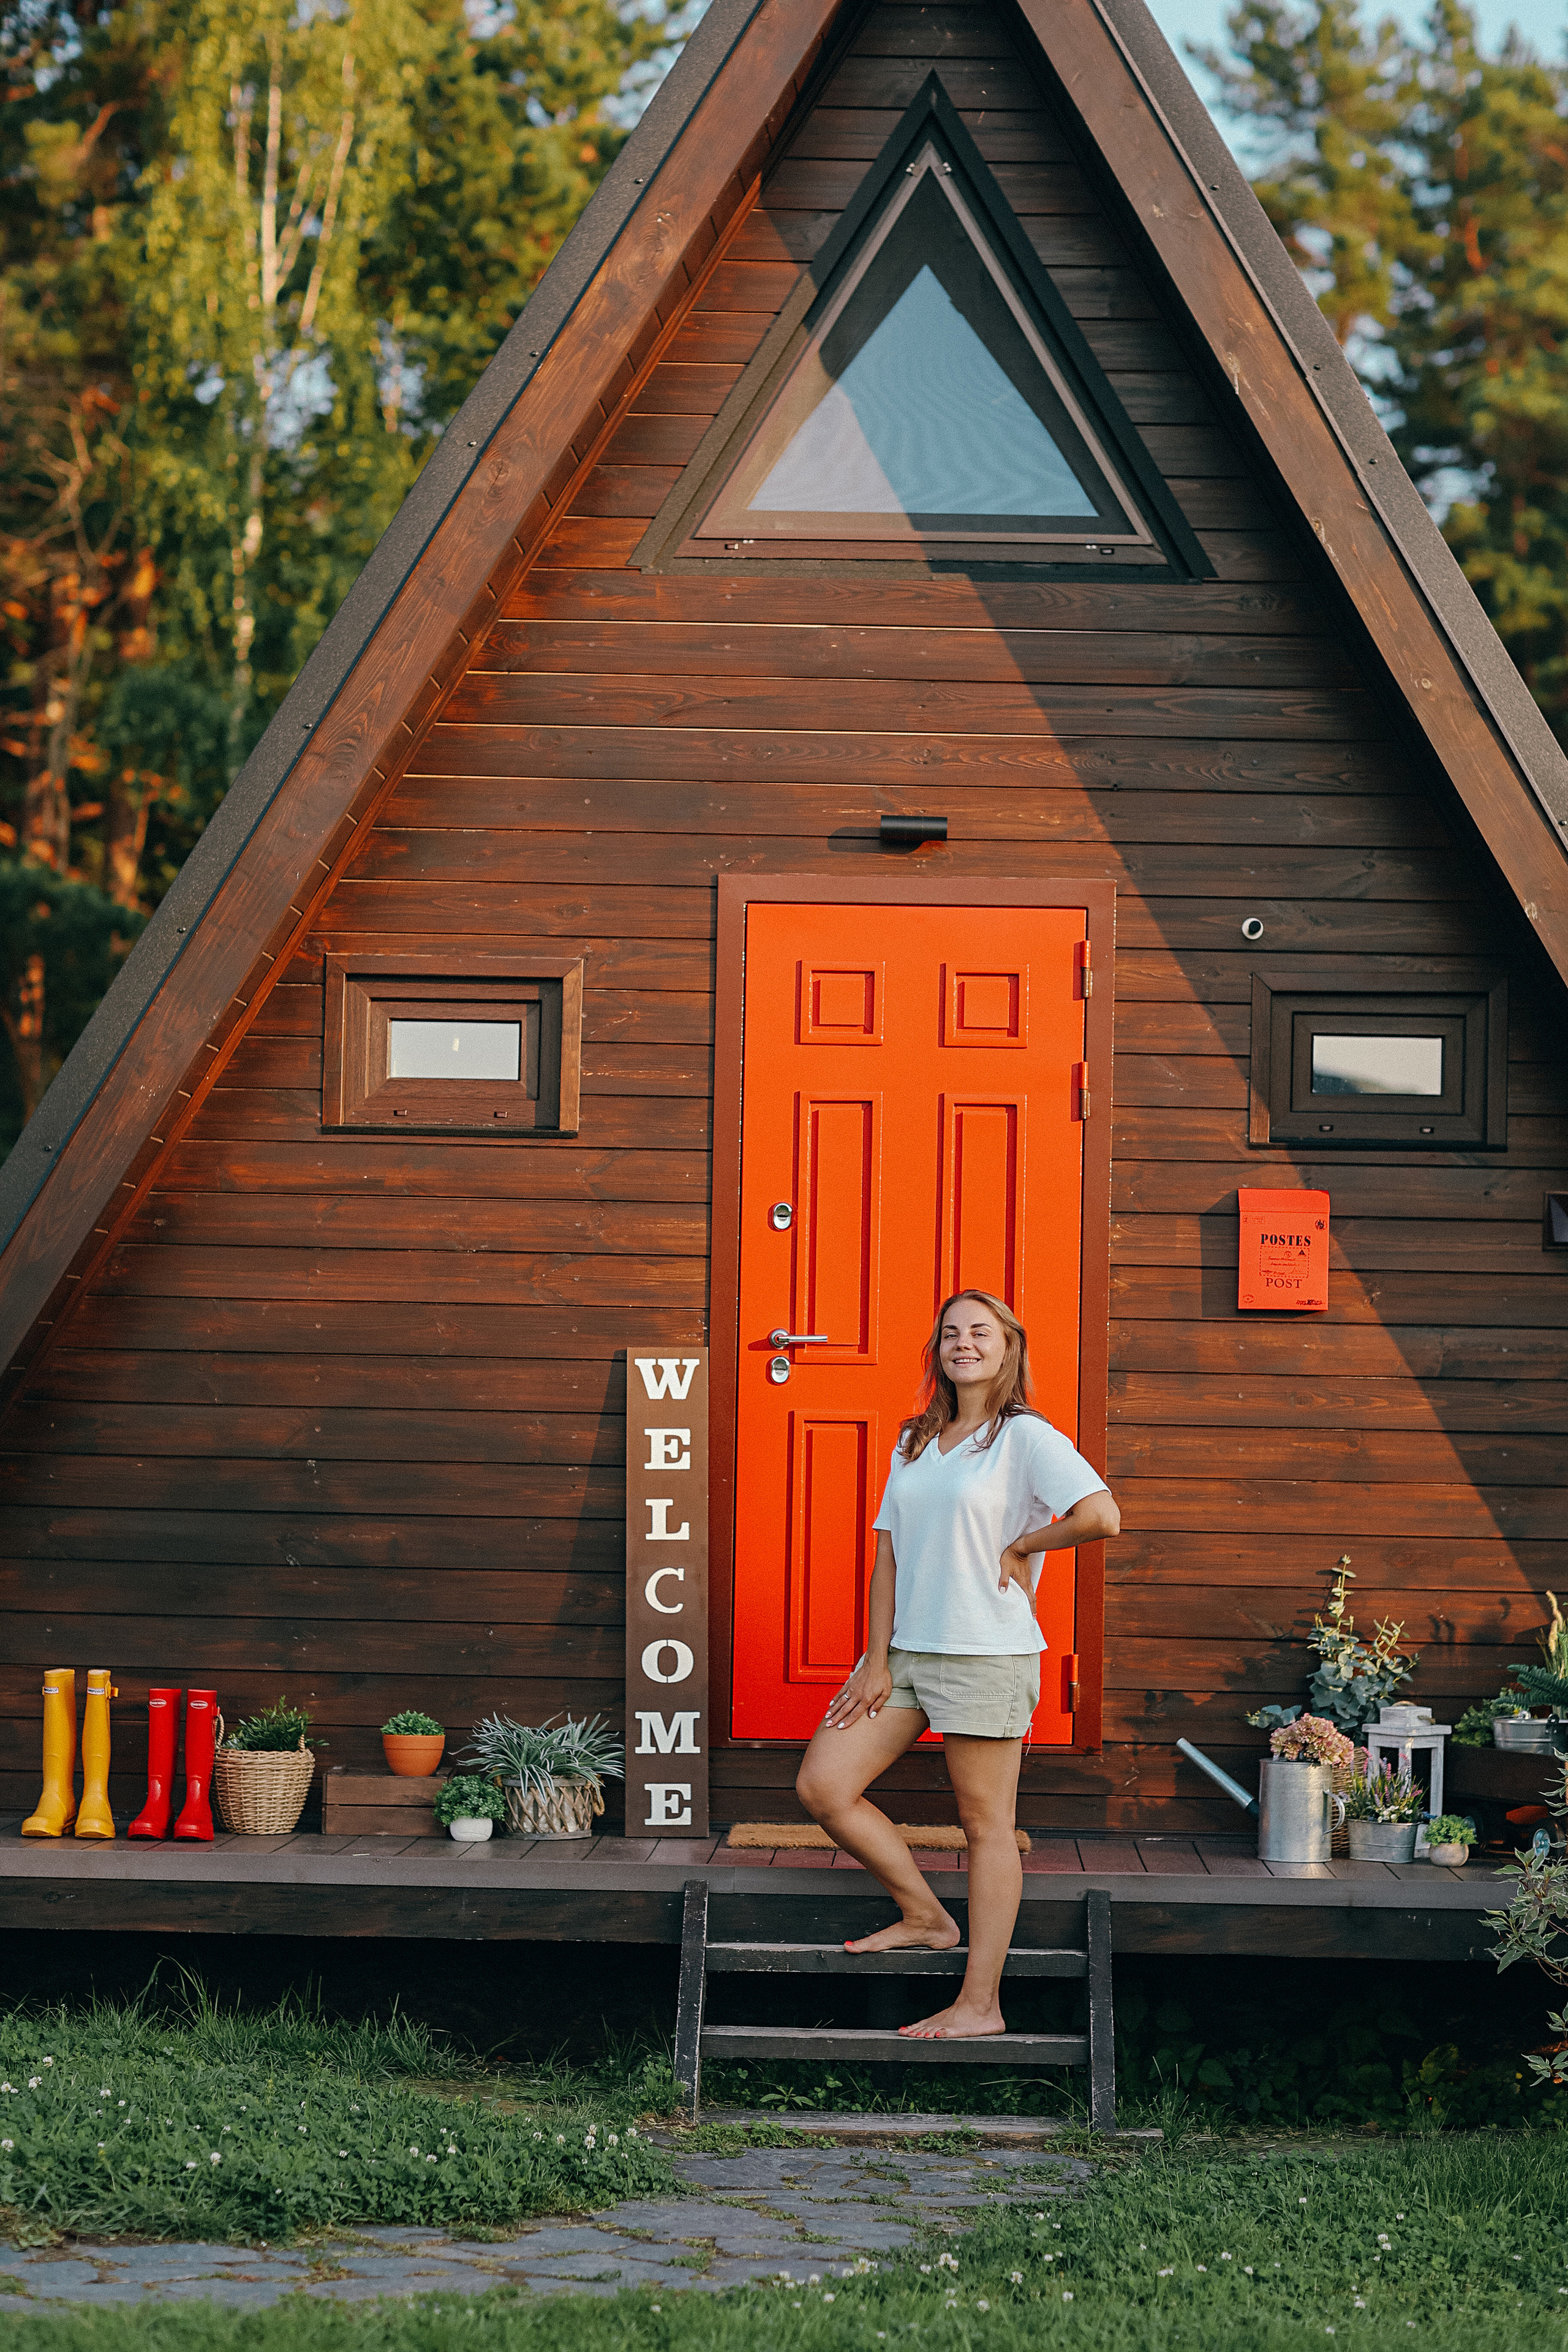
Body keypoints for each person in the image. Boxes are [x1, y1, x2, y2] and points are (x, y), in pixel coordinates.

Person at [795, 1288, 1120, 2041]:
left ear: (1008, 1348)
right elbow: (887, 1556)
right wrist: (874, 1660)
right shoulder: (915, 1439)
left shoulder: (1025, 1437)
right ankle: (925, 1915)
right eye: (950, 1333)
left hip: (987, 1653)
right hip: (907, 1653)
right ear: (937, 1351)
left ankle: (980, 2004)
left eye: (979, 1332)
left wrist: (1024, 1544)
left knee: (986, 1827)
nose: (962, 1344)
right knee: (824, 1787)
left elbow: (1101, 1516)